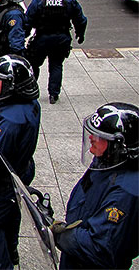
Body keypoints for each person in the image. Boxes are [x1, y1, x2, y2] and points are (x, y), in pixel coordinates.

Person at [54, 102, 138, 269]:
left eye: (100, 136)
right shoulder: (109, 160)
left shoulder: (126, 192)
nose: (91, 138)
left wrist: (62, 236)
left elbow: (99, 247)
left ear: (119, 146)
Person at [0, 54, 41, 269]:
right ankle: (11, 252)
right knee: (12, 214)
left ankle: (0, 264)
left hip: (1, 180)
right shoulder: (28, 104)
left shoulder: (12, 119)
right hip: (19, 169)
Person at [25, 0, 87, 104]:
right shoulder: (69, 1)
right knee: (56, 65)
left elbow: (27, 21)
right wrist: (80, 34)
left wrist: (24, 35)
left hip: (41, 39)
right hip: (61, 38)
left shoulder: (38, 1)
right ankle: (54, 94)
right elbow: (81, 20)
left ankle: (30, 90)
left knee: (34, 65)